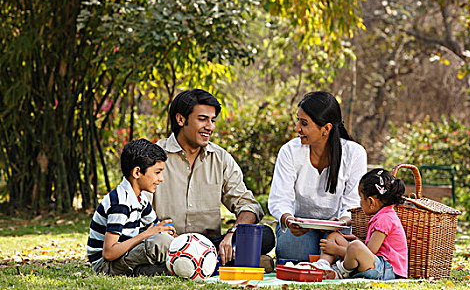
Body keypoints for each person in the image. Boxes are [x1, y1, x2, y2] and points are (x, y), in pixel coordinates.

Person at [149, 89, 275, 269]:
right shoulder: (154, 156)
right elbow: (139, 212)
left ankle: (203, 262)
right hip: (168, 243)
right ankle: (222, 263)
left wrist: (232, 233)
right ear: (180, 119)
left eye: (213, 120)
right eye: (202, 119)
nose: (210, 127)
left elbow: (248, 205)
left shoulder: (220, 158)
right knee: (155, 243)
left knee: (264, 235)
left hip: (210, 244)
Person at [268, 91, 367, 262]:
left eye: (304, 123)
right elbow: (280, 198)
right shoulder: (290, 151)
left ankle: (329, 259)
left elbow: (353, 203)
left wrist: (341, 223)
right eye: (298, 120)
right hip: (298, 229)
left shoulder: (354, 153)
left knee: (341, 248)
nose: (297, 128)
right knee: (294, 252)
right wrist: (288, 219)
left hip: (339, 229)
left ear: (326, 129)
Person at [86, 139, 176, 276]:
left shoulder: (140, 199)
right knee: (160, 242)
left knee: (164, 240)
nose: (161, 178)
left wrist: (185, 243)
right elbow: (108, 253)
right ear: (137, 172)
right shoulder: (120, 203)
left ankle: (148, 270)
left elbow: (157, 227)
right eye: (157, 172)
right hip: (106, 266)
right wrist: (147, 234)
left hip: (125, 256)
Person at [309, 168, 408, 280]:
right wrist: (358, 239)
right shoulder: (383, 215)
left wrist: (336, 250)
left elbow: (369, 252)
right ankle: (323, 264)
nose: (360, 203)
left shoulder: (385, 219)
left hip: (387, 271)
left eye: (361, 198)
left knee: (355, 246)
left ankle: (340, 272)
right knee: (335, 236)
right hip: (376, 264)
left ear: (371, 202)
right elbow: (371, 249)